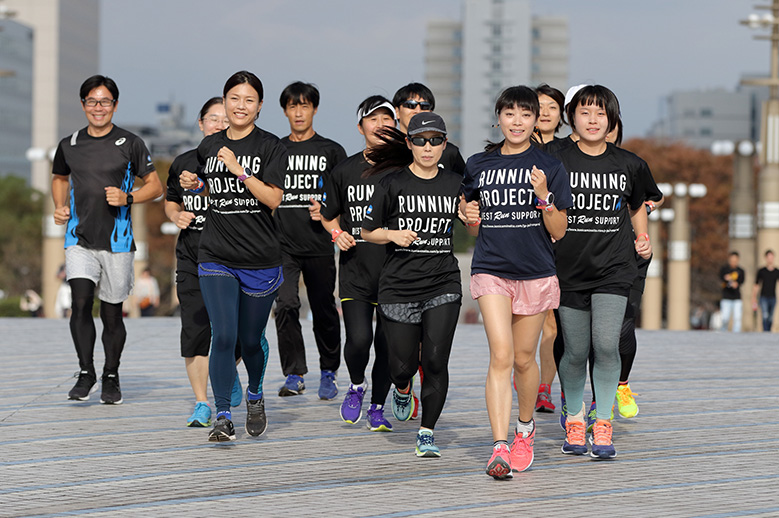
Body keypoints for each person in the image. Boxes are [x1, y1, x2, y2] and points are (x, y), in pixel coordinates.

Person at [461, 86, 572, 479]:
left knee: (525, 359)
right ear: (499, 118)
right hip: (491, 269)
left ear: (537, 120)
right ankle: (499, 446)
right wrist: (467, 212)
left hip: (536, 273)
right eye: (510, 114)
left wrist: (543, 196)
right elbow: (470, 219)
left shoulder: (550, 166)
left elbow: (558, 230)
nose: (518, 122)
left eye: (526, 115)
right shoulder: (478, 164)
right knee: (502, 355)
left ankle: (525, 427)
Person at [180, 70, 287, 442]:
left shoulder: (271, 146)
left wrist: (240, 171)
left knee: (250, 338)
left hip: (260, 259)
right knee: (222, 335)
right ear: (224, 101)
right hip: (215, 255)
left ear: (259, 106)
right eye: (234, 98)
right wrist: (195, 184)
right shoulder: (209, 146)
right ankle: (223, 414)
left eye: (249, 100)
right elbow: (213, 190)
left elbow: (273, 199)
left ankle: (255, 395)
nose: (240, 106)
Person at [551, 85, 651, 459]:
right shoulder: (554, 158)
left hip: (614, 267)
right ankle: (575, 420)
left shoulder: (629, 164)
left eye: (600, 113)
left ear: (611, 120)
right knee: (575, 351)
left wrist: (642, 236)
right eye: (585, 112)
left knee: (607, 344)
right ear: (571, 118)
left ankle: (603, 421)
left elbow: (638, 203)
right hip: (568, 269)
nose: (593, 120)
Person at [52, 74, 163, 404]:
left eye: (105, 102)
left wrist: (128, 198)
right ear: (83, 104)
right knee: (81, 303)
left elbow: (156, 187)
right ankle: (86, 372)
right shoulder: (69, 144)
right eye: (91, 101)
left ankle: (111, 375)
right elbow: (59, 177)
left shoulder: (131, 143)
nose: (98, 108)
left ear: (114, 105)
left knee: (112, 315)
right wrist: (59, 206)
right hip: (79, 238)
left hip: (117, 241)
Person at [362, 112, 462, 457]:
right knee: (400, 366)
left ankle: (427, 432)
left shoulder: (455, 184)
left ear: (444, 144)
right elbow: (367, 231)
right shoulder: (392, 183)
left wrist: (471, 214)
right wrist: (392, 234)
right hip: (399, 285)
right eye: (420, 140)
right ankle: (402, 388)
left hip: (443, 282)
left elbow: (472, 214)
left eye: (436, 140)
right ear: (409, 144)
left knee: (435, 361)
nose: (428, 147)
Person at [166, 96, 244, 427]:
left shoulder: (238, 160)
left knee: (235, 331)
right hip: (191, 256)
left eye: (226, 119)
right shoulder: (182, 161)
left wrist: (205, 184)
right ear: (200, 124)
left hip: (231, 256)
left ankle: (228, 367)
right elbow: (169, 201)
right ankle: (202, 402)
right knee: (195, 330)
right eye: (213, 119)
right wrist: (177, 215)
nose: (219, 124)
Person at [320, 96, 397, 432]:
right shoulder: (344, 171)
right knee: (360, 339)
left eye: (387, 119)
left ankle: (378, 407)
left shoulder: (405, 169)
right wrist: (337, 233)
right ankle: (355, 386)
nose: (380, 125)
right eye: (372, 119)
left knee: (388, 347)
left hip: (396, 272)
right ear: (360, 127)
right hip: (355, 270)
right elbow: (327, 216)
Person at [274, 82, 346, 400]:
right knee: (286, 305)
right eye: (292, 106)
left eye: (304, 106)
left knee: (323, 309)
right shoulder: (274, 150)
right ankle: (294, 373)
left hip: (319, 243)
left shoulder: (331, 151)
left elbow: (345, 198)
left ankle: (329, 371)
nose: (299, 112)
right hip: (282, 245)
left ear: (315, 109)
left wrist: (328, 212)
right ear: (285, 110)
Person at [532, 83, 567, 414]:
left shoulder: (568, 152)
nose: (544, 113)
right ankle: (523, 371)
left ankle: (544, 388)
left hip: (559, 245)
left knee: (553, 325)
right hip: (523, 245)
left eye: (552, 107)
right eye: (538, 106)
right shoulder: (514, 148)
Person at [393, 82, 466, 175]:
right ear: (397, 112)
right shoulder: (385, 152)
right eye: (410, 105)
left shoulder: (449, 152)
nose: (417, 111)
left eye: (424, 106)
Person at [752, 249, 779, 332]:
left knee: (770, 317)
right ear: (766, 258)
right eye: (768, 257)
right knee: (765, 315)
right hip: (763, 297)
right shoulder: (761, 271)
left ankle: (769, 331)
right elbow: (756, 285)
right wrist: (753, 298)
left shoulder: (777, 271)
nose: (770, 259)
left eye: (771, 257)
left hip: (773, 297)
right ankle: (765, 332)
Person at [719, 251, 745, 332]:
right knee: (725, 319)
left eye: (735, 259)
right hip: (726, 297)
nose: (733, 261)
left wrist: (735, 283)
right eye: (732, 259)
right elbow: (721, 278)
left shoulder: (741, 271)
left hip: (737, 298)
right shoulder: (724, 269)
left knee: (737, 318)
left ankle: (736, 336)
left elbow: (741, 281)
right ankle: (723, 334)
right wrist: (727, 279)